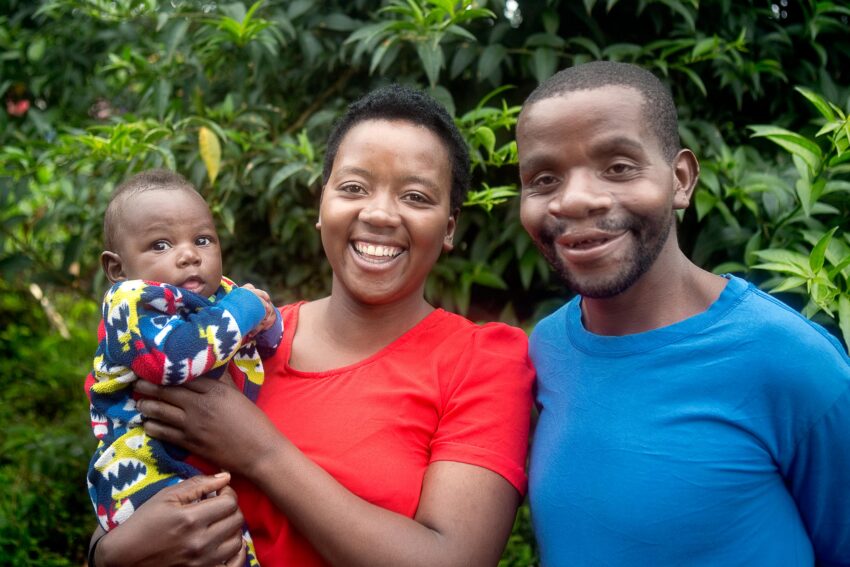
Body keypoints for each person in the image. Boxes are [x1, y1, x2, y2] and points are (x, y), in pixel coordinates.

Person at [88, 85, 535, 567]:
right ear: (322, 204)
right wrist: (111, 553)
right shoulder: (243, 339)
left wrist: (262, 453)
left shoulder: (482, 360)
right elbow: (135, 475)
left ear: (449, 227)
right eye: (354, 187)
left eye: (415, 196)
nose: (380, 213)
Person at [517, 60, 850, 565]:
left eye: (619, 167)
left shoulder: (794, 362)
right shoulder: (546, 347)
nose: (576, 199)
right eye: (544, 178)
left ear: (680, 179)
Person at [85, 169, 282, 567]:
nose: (190, 254)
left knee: (225, 537)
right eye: (160, 244)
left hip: (188, 460)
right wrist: (247, 309)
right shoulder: (131, 305)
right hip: (142, 466)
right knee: (216, 538)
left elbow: (267, 339)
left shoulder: (216, 295)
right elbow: (176, 358)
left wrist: (266, 319)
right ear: (117, 268)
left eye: (203, 239)